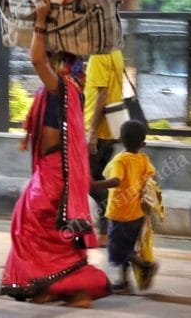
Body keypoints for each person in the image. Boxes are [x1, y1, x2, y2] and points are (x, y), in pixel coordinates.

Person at [0, 0, 110, 308]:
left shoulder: (61, 84)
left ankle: (60, 285)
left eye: (48, 51)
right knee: (46, 230)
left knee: (28, 223)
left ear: (57, 59)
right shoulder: (66, 87)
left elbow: (36, 59)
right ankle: (61, 287)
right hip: (51, 170)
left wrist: (42, 19)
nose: (40, 53)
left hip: (53, 173)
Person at [91, 120, 159, 293]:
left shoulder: (121, 160)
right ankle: (124, 282)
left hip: (120, 213)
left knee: (117, 248)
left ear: (120, 139)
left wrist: (93, 184)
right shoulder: (143, 158)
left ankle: (145, 266)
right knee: (128, 247)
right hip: (137, 212)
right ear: (143, 143)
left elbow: (116, 181)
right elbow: (151, 176)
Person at [84, 50, 125, 246]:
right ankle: (105, 232)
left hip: (98, 131)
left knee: (85, 180)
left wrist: (91, 132)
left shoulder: (99, 56)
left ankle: (107, 227)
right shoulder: (115, 53)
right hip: (110, 128)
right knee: (97, 178)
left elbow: (103, 93)